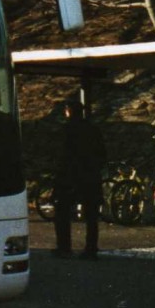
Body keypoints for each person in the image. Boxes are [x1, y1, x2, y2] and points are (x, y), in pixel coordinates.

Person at [53, 99, 106, 258]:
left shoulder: (66, 130)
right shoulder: (93, 130)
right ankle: (91, 248)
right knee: (91, 216)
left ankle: (64, 247)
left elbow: (61, 155)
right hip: (90, 176)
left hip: (69, 177)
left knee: (62, 212)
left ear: (68, 111)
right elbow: (102, 153)